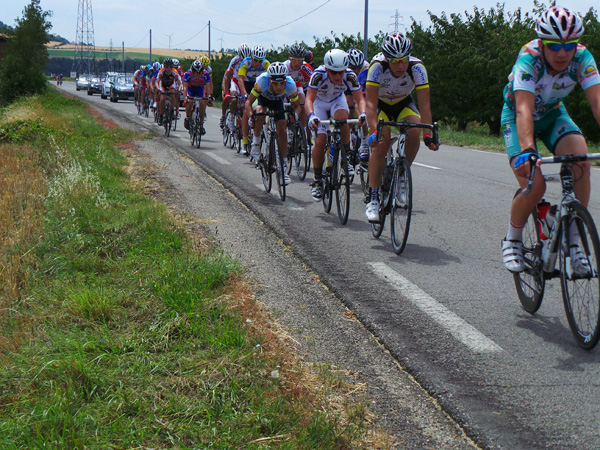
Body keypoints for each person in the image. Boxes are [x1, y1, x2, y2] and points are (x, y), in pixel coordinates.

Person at [500, 6, 600, 274]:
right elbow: (523, 109)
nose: (562, 53)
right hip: (517, 116)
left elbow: (598, 103)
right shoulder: (529, 59)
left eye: (569, 45)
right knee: (535, 186)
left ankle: (575, 243)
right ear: (543, 43)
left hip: (553, 115)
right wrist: (527, 151)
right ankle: (512, 239)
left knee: (582, 162)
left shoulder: (583, 58)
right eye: (554, 46)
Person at [364, 32, 439, 222]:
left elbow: (425, 106)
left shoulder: (418, 68)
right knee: (382, 141)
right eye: (395, 61)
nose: (401, 66)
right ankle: (373, 199)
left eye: (404, 60)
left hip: (403, 103)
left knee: (414, 129)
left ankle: (402, 175)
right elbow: (370, 104)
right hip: (380, 105)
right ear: (386, 58)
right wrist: (374, 131)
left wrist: (428, 135)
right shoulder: (377, 67)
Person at [305, 49, 366, 201]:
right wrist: (311, 116)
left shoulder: (350, 76)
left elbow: (360, 99)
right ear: (327, 69)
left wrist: (363, 114)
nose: (338, 76)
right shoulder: (318, 75)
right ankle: (318, 180)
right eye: (334, 72)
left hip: (337, 101)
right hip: (319, 103)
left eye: (341, 72)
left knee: (343, 118)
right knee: (320, 141)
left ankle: (346, 157)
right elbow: (309, 99)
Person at [245, 61, 302, 185]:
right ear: (270, 81)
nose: (279, 87)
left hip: (277, 102)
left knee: (282, 130)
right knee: (259, 113)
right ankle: (256, 142)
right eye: (275, 83)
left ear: (285, 81)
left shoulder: (290, 84)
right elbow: (248, 103)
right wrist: (251, 117)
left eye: (282, 83)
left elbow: (297, 106)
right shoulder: (262, 81)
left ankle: (283, 168)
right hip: (262, 99)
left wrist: (295, 115)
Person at [238, 46, 271, 155]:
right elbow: (240, 79)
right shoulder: (245, 62)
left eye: (260, 61)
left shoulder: (266, 64)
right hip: (247, 85)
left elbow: (272, 78)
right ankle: (245, 141)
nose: (257, 63)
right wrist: (244, 94)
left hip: (259, 85)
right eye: (255, 60)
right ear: (251, 57)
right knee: (246, 109)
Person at [346, 48, 370, 161]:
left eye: (358, 67)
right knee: (349, 106)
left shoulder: (366, 68)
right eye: (353, 67)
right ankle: (349, 131)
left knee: (359, 106)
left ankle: (363, 136)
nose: (356, 70)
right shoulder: (343, 68)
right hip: (347, 85)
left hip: (360, 85)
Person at [221, 44, 251, 131]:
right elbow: (227, 77)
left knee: (247, 101)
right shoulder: (234, 61)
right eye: (242, 59)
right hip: (235, 81)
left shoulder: (251, 61)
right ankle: (230, 118)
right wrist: (226, 92)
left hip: (245, 81)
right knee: (234, 99)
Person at [183, 60, 213, 133]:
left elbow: (208, 87)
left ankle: (201, 124)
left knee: (202, 103)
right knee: (189, 101)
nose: (198, 74)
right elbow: (185, 88)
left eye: (200, 72)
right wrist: (185, 98)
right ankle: (187, 117)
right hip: (190, 88)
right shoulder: (187, 74)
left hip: (200, 88)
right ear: (193, 71)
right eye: (196, 73)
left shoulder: (206, 74)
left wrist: (209, 97)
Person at [156, 58, 183, 125]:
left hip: (171, 85)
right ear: (164, 66)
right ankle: (161, 116)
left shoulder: (174, 72)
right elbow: (157, 82)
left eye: (170, 66)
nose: (168, 68)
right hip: (163, 85)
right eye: (167, 66)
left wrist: (179, 89)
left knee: (173, 94)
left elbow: (179, 83)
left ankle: (171, 111)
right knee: (162, 99)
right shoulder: (161, 71)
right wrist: (158, 89)